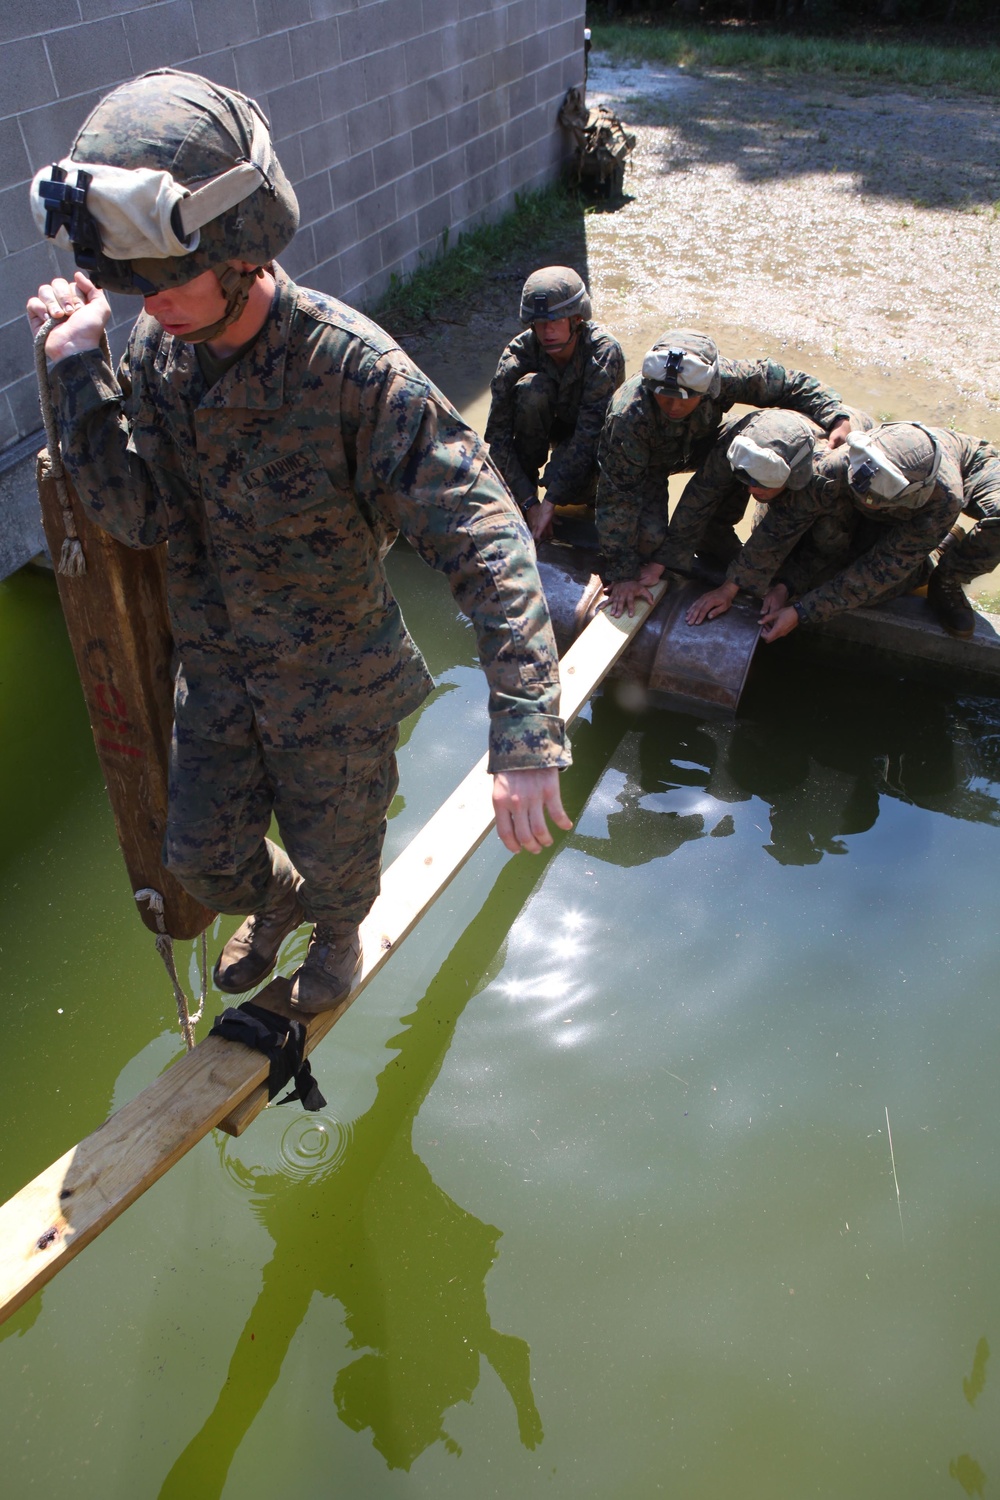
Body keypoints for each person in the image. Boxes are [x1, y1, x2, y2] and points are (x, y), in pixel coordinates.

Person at [27, 70, 572, 1014]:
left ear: (242, 246)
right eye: (132, 286)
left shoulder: (351, 373)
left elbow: (484, 532)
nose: (149, 305)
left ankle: (335, 927)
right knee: (202, 858)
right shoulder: (159, 355)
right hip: (223, 680)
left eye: (166, 279)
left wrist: (525, 727)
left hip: (334, 689)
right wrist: (78, 367)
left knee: (341, 866)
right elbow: (137, 516)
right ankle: (278, 903)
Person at [597, 330, 853, 617]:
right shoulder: (628, 415)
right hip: (645, 464)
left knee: (752, 440)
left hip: (701, 442)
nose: (674, 406)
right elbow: (617, 497)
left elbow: (785, 382)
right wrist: (624, 574)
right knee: (649, 541)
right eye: (664, 396)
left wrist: (836, 416)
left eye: (686, 398)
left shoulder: (722, 378)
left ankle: (715, 533)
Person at [686, 418, 997, 643]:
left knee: (879, 588)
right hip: (882, 494)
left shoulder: (942, 501)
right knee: (809, 560)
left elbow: (878, 571)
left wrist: (801, 611)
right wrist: (736, 587)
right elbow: (783, 524)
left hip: (953, 477)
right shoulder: (844, 463)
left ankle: (942, 565)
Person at [484, 266, 624, 541]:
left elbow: (590, 436)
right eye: (539, 323)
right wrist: (528, 503)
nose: (547, 331)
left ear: (576, 319)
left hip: (589, 441)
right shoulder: (518, 353)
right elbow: (497, 439)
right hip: (544, 433)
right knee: (532, 390)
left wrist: (552, 500)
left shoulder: (602, 353)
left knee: (583, 490)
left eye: (556, 321)